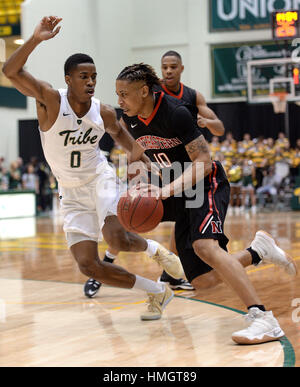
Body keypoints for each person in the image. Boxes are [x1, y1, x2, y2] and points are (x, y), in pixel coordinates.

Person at [2, 16, 186, 321]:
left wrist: (140, 159)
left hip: (98, 179)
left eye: (94, 77)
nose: (90, 82)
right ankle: (156, 290)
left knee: (116, 240)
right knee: (88, 266)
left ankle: (157, 252)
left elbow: (121, 136)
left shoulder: (103, 111)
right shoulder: (49, 99)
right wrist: (35, 38)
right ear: (68, 79)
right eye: (83, 76)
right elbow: (10, 71)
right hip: (69, 191)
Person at [115, 62, 297, 344]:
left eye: (124, 94)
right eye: (117, 95)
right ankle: (257, 252)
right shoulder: (132, 119)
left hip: (206, 183)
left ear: (143, 91)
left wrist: (165, 192)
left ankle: (263, 318)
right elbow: (137, 153)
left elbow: (203, 162)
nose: (120, 101)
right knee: (204, 282)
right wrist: (138, 181)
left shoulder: (176, 113)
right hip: (177, 188)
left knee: (205, 247)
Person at [84, 50, 226, 295]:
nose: (168, 71)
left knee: (177, 226)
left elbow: (219, 129)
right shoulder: (134, 107)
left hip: (191, 173)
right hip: (166, 175)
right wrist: (137, 175)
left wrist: (207, 124)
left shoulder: (189, 98)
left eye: (173, 67)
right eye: (165, 67)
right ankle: (109, 262)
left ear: (181, 68)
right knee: (128, 211)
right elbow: (136, 148)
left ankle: (168, 272)